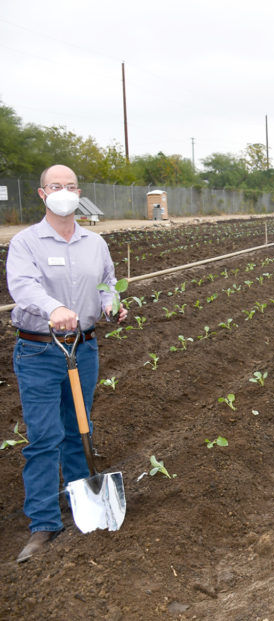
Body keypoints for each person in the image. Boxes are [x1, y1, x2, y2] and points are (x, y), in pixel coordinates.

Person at [6, 164, 127, 563]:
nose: (64, 191)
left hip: (84, 348)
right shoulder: (26, 243)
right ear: (42, 194)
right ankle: (43, 524)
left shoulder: (95, 243)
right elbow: (23, 286)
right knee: (44, 438)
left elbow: (107, 283)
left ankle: (82, 505)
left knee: (80, 430)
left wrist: (112, 306)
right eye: (56, 186)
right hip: (40, 350)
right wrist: (54, 308)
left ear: (79, 193)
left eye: (71, 186)